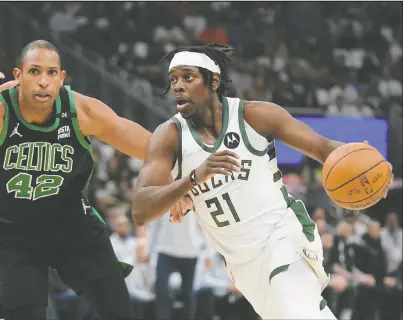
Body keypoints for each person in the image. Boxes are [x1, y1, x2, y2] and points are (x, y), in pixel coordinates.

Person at [0, 40, 186, 320]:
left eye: (51, 73)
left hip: (71, 224)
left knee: (118, 309)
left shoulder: (80, 110)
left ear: (61, 78)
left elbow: (148, 147)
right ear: (18, 76)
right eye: (34, 72)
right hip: (12, 230)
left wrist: (176, 180)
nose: (43, 82)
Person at [132, 43, 393, 319]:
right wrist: (192, 179)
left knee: (296, 309)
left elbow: (324, 148)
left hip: (283, 236)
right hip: (243, 263)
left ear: (214, 80)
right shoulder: (169, 135)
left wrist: (366, 163)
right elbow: (140, 210)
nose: (177, 86)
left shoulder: (254, 116)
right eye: (173, 79)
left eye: (188, 77)